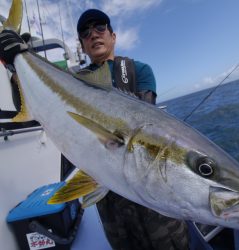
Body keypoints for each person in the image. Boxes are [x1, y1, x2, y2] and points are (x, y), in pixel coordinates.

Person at [0, 10, 189, 250]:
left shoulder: (138, 70)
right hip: (108, 201)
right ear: (82, 45)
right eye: (85, 33)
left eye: (100, 28)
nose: (93, 35)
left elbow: (146, 123)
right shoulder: (72, 79)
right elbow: (37, 103)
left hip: (153, 198)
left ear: (113, 35)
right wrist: (16, 60)